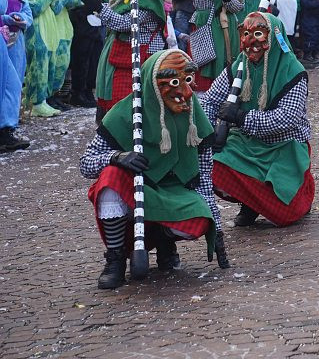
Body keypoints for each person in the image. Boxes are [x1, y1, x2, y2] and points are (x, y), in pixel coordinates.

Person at [79, 48, 226, 289]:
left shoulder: (195, 116)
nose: (186, 92)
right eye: (174, 83)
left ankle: (163, 240)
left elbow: (204, 178)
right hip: (138, 191)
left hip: (176, 192)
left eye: (188, 80)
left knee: (200, 218)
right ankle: (115, 258)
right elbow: (86, 162)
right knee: (109, 179)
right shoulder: (125, 114)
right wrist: (117, 157)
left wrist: (217, 229)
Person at [205, 12, 316, 227]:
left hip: (284, 146)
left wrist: (241, 116)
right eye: (246, 34)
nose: (251, 43)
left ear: (273, 38)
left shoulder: (294, 72)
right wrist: (210, 130)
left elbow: (286, 119)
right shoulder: (238, 66)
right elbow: (209, 101)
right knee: (211, 164)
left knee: (286, 215)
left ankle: (302, 191)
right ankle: (249, 203)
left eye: (258, 34)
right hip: (246, 143)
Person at [96, 0, 169, 122]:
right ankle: (116, 127)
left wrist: (101, 9)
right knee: (118, 94)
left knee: (132, 96)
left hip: (142, 56)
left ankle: (130, 128)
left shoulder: (146, 2)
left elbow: (125, 23)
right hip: (123, 53)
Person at [24, 0, 81, 117]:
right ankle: (36, 103)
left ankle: (43, 100)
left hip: (50, 33)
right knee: (38, 68)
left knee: (49, 67)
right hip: (36, 34)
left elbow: (56, 9)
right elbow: (35, 10)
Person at [68, 0, 107, 108]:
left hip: (98, 23)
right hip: (84, 23)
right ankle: (78, 92)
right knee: (81, 59)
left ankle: (88, 90)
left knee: (94, 59)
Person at [0, 0, 31, 151]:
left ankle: (7, 129)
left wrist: (21, 19)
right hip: (2, 39)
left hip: (15, 41)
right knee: (6, 84)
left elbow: (28, 14)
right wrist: (7, 19)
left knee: (13, 85)